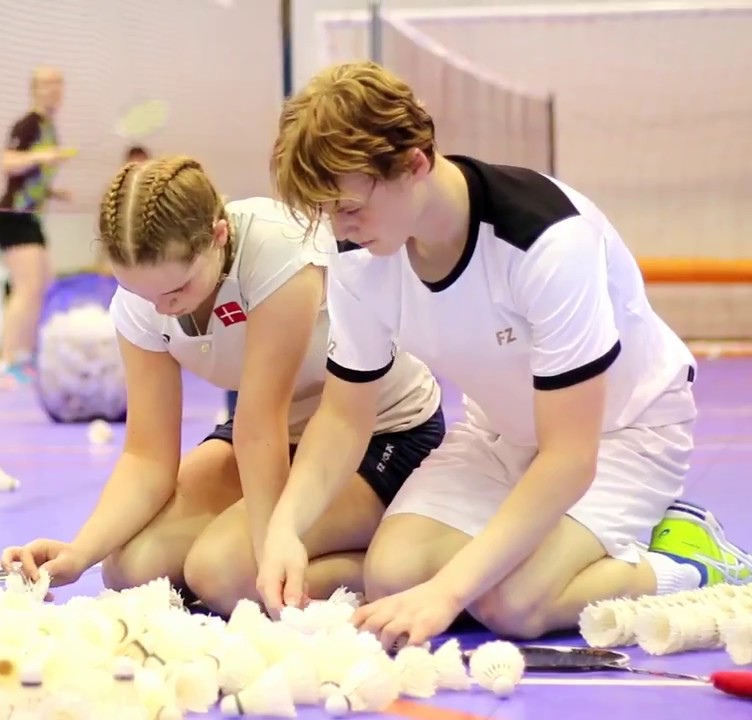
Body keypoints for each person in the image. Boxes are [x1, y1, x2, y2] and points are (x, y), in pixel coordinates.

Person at [258, 60, 752, 646]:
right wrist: (286, 527)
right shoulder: (359, 253)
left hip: (623, 434)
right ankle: (551, 551)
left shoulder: (546, 241)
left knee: (512, 605)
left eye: (350, 206)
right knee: (392, 575)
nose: (337, 226)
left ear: (414, 164)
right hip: (501, 434)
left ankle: (690, 557)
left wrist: (448, 593)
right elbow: (344, 415)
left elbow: (571, 456)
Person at [2, 155, 445, 616]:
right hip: (272, 438)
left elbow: (260, 423)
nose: (164, 308)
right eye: (144, 294)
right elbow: (147, 455)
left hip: (377, 437)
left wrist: (270, 551)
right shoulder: (144, 298)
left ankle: (391, 566)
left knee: (225, 574)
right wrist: (79, 552)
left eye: (178, 290)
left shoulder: (278, 250)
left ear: (217, 236)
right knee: (131, 571)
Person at [0, 65, 76, 387]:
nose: (53, 88)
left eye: (57, 82)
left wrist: (55, 192)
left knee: (41, 286)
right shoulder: (29, 124)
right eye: (46, 84)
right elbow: (8, 162)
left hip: (31, 216)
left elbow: (31, 179)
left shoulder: (50, 127)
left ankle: (24, 356)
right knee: (26, 288)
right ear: (34, 89)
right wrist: (44, 157)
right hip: (13, 215)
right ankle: (7, 361)